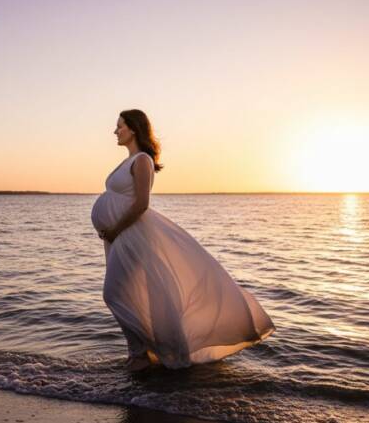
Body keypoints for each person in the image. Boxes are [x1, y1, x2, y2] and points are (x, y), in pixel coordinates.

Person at [90, 109, 276, 371]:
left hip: (130, 235)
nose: (115, 131)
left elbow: (142, 203)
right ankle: (140, 353)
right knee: (130, 293)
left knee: (113, 293)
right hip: (118, 238)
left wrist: (116, 229)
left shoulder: (142, 160)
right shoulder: (127, 161)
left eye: (119, 126)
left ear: (133, 128)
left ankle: (142, 353)